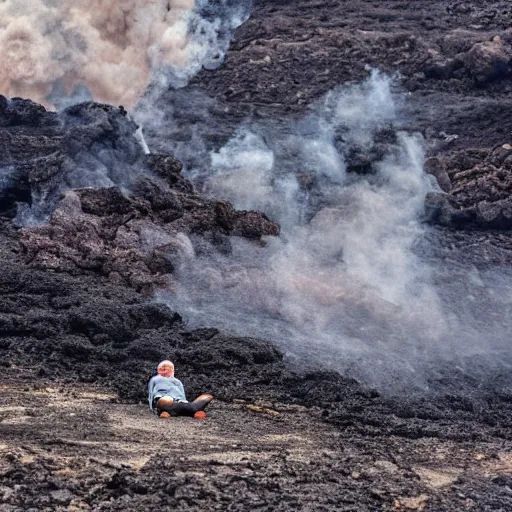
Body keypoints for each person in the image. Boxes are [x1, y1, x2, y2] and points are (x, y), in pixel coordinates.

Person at [148, 360, 213, 419]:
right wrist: (152, 408)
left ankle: (193, 411)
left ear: (173, 371)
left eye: (169, 369)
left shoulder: (177, 382)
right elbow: (151, 394)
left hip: (178, 402)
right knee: (166, 400)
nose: (166, 371)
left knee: (204, 399)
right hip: (165, 401)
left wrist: (184, 401)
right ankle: (166, 411)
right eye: (163, 369)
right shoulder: (155, 379)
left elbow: (182, 395)